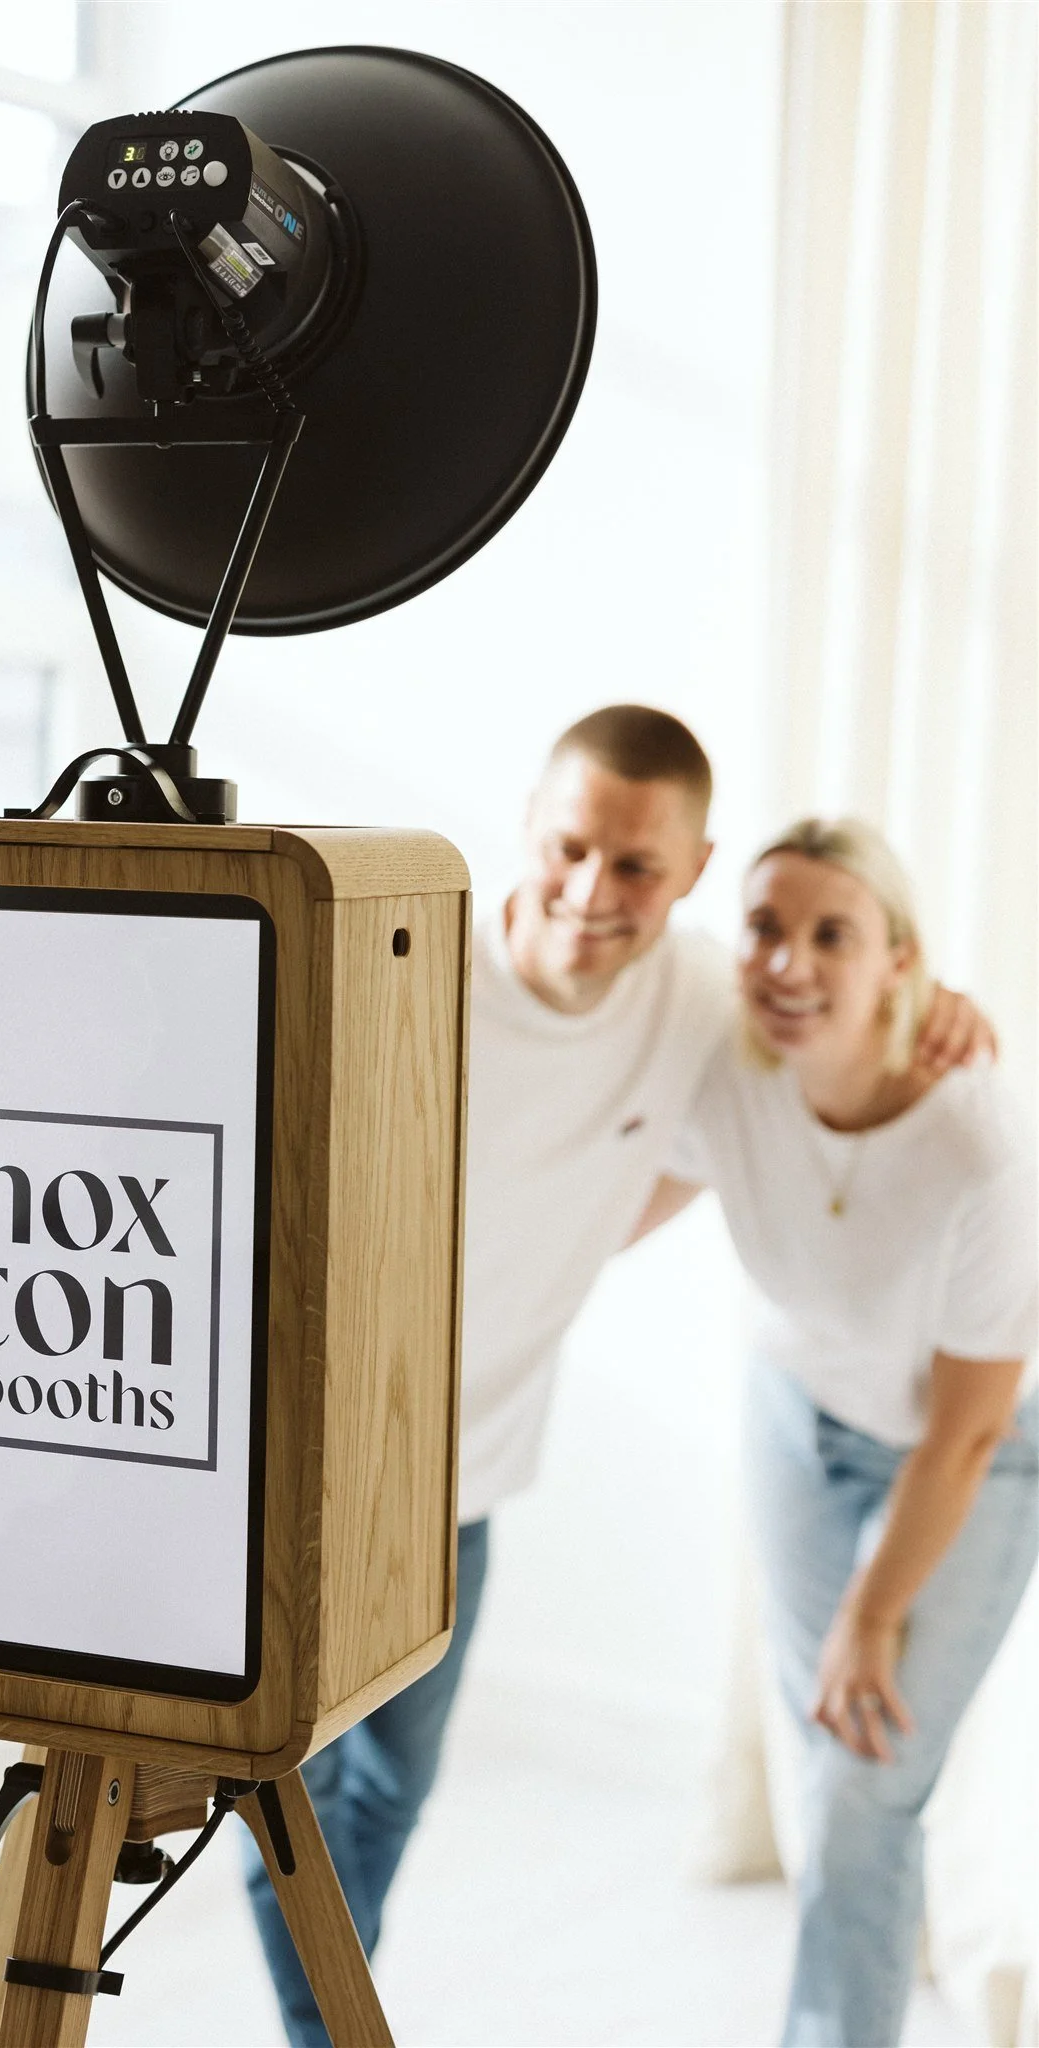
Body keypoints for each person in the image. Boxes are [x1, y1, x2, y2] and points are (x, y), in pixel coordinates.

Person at [243, 710, 994, 2047]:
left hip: (463, 1475)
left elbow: (826, 1002)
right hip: (295, 1452)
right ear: (529, 828)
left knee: (388, 1791)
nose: (593, 892)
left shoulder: (703, 997)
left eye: (637, 865)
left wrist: (935, 1005)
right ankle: (327, 2031)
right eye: (570, 847)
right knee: (278, 1785)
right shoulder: (406, 967)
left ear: (692, 870)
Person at [632, 817, 1037, 2048]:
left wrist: (872, 1610)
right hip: (796, 1427)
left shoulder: (976, 1144)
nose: (787, 961)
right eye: (765, 926)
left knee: (867, 1781)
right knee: (829, 1773)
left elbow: (965, 1432)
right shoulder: (731, 1071)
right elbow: (609, 1203)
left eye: (831, 934)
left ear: (900, 960)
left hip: (964, 1456)